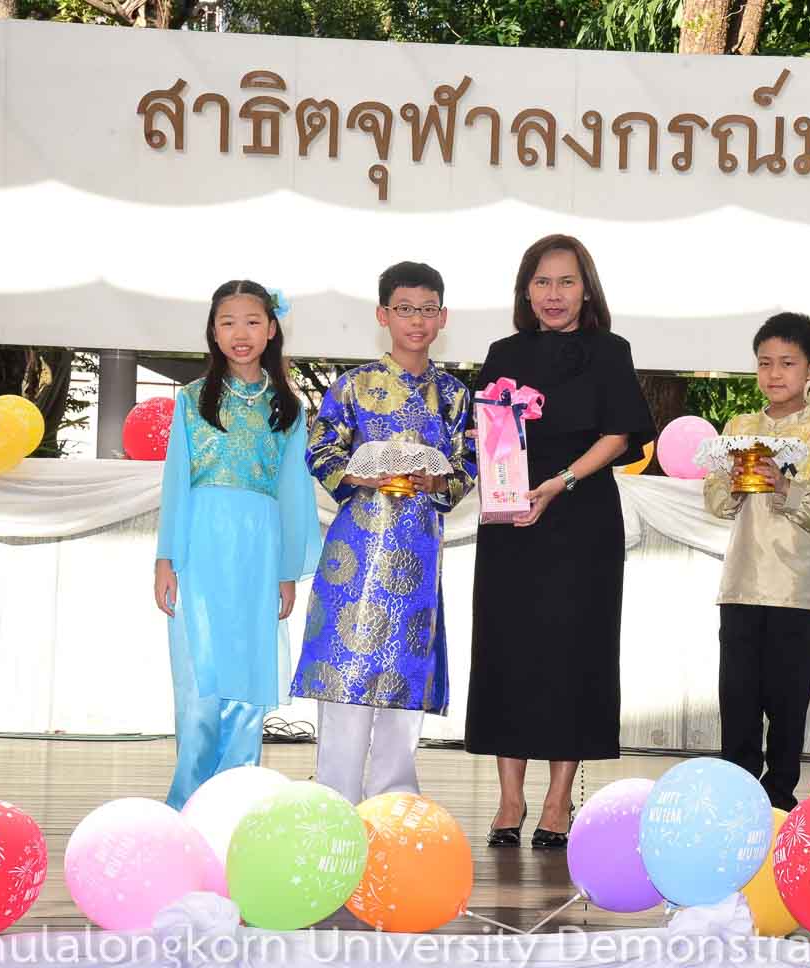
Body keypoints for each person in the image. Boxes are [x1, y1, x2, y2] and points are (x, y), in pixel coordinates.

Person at [466, 234, 654, 848]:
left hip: (580, 515)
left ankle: (556, 799)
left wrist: (562, 481)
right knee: (508, 651)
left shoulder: (610, 351)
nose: (554, 294)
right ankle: (509, 797)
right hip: (512, 521)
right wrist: (504, 481)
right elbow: (486, 433)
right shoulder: (503, 353)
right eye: (542, 282)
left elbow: (621, 433)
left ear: (586, 289)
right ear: (526, 291)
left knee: (574, 655)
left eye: (566, 282)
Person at [291, 262, 477, 804]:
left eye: (427, 310)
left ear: (442, 317)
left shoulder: (455, 395)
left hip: (418, 551)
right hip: (356, 551)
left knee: (403, 680)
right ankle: (334, 803)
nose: (416, 320)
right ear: (383, 315)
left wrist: (440, 481)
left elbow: (468, 464)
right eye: (405, 309)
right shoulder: (352, 386)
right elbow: (321, 449)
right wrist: (358, 475)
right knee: (345, 679)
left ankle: (394, 808)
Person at [155, 280, 321, 810]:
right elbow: (175, 483)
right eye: (227, 322)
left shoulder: (287, 407)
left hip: (259, 549)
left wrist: (287, 571)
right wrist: (166, 558)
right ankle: (188, 804)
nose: (240, 333)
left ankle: (234, 806)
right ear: (213, 331)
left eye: (252, 321)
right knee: (200, 677)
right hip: (200, 545)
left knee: (249, 676)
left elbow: (294, 493)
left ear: (271, 329)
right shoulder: (190, 400)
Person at [703, 312, 810, 811]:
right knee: (737, 700)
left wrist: (786, 486)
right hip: (740, 585)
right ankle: (738, 801)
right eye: (765, 363)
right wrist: (733, 486)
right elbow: (715, 500)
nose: (774, 373)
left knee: (788, 704)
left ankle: (780, 799)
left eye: (787, 362)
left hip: (796, 591)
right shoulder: (739, 427)